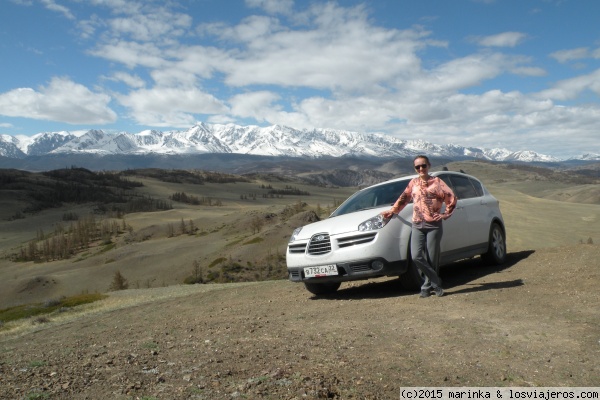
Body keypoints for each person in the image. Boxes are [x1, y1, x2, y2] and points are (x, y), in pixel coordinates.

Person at [381, 155, 457, 298]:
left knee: (432, 258)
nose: (421, 169)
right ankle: (436, 281)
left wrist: (444, 214)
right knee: (416, 256)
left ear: (429, 165)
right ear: (415, 168)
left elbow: (451, 197)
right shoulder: (413, 183)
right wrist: (392, 211)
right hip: (417, 224)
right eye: (418, 167)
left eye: (423, 165)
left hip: (433, 225)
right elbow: (403, 199)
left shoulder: (437, 182)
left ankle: (427, 287)